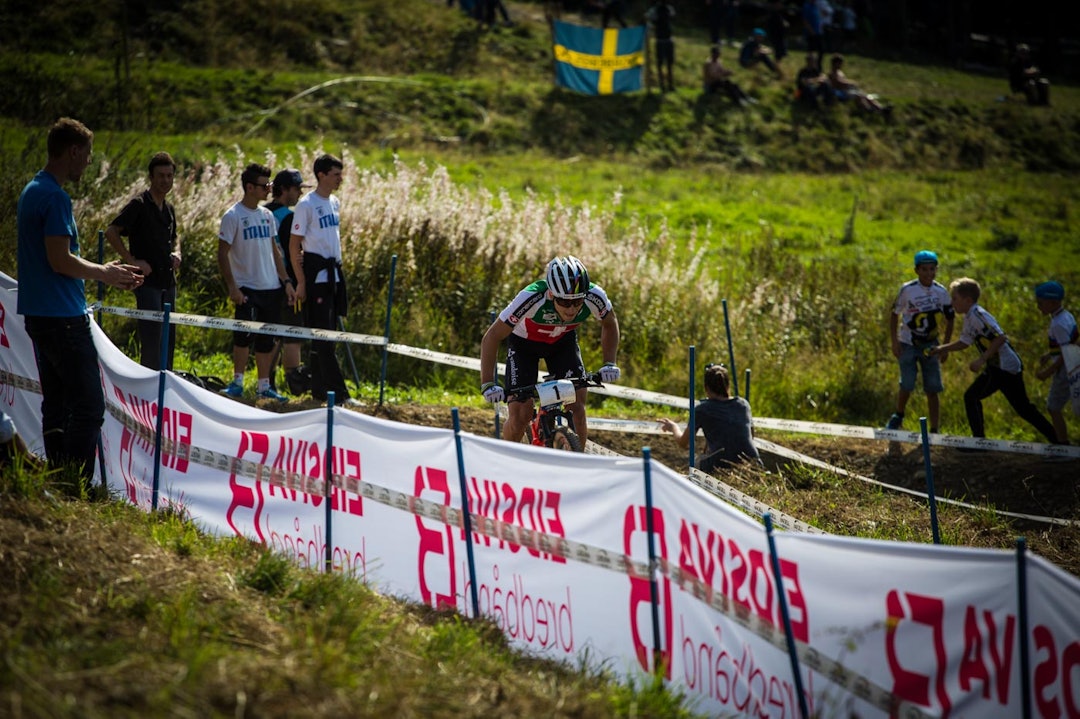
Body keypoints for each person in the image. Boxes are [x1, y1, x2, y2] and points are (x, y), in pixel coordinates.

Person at [17, 118, 144, 488]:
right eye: (87, 154)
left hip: (40, 314)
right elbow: (61, 260)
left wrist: (105, 272)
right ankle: (74, 483)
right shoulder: (55, 196)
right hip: (64, 319)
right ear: (73, 151)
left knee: (56, 403)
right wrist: (105, 273)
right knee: (88, 406)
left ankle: (57, 476)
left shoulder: (32, 190)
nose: (89, 162)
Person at [479, 256, 621, 446]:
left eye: (577, 302)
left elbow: (610, 323)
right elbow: (492, 337)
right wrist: (488, 383)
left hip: (562, 343)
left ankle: (578, 463)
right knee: (521, 415)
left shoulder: (595, 296)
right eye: (564, 302)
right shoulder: (531, 297)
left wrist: (609, 362)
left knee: (577, 407)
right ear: (552, 294)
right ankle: (509, 458)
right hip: (524, 346)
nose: (571, 310)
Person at [929, 278, 1059, 446]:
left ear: (968, 300)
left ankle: (979, 443)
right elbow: (964, 342)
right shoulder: (969, 317)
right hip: (1000, 367)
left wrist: (981, 359)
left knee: (972, 397)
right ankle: (1058, 441)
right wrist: (941, 349)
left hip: (1004, 367)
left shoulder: (978, 315)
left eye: (955, 298)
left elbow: (1000, 337)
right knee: (1024, 409)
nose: (952, 302)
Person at [217, 163, 295, 403]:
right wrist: (233, 287)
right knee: (243, 338)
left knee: (266, 340)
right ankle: (237, 382)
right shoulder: (233, 216)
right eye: (264, 185)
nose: (269, 189)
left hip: (271, 287)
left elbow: (276, 252)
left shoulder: (267, 215)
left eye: (270, 184)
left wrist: (286, 282)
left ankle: (264, 385)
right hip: (247, 288)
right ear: (249, 187)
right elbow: (222, 254)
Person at [104, 152, 180, 370]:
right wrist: (132, 261)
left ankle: (167, 383)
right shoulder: (139, 203)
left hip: (168, 281)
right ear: (151, 177)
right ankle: (148, 390)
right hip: (147, 283)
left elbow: (176, 236)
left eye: (169, 176)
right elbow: (111, 231)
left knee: (168, 337)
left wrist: (178, 252)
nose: (165, 180)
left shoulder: (169, 208)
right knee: (151, 339)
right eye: (161, 176)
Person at [290, 154, 353, 403]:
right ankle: (340, 393)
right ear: (321, 175)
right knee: (324, 337)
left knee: (327, 335)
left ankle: (318, 391)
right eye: (336, 174)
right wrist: (301, 281)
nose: (340, 179)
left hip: (333, 274)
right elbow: (294, 244)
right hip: (316, 276)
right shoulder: (306, 205)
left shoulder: (334, 202)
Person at [885, 250, 955, 434]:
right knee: (907, 384)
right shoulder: (907, 290)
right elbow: (894, 314)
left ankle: (934, 428)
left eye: (932, 269)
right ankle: (898, 415)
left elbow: (950, 319)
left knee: (932, 387)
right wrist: (895, 341)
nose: (928, 273)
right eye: (924, 269)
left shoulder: (941, 292)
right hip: (907, 342)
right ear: (916, 270)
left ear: (936, 270)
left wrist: (945, 347)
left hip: (931, 345)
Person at [659, 362, 762, 472]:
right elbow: (751, 436)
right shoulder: (743, 404)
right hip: (753, 462)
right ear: (728, 385)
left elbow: (684, 443)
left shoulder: (702, 409)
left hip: (721, 464)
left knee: (693, 467)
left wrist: (673, 427)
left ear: (706, 388)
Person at [264, 168, 311, 396]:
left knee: (271, 334)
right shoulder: (289, 217)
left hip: (264, 281)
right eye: (296, 189)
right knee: (293, 334)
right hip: (288, 282)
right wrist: (298, 282)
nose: (299, 194)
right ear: (283, 190)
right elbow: (294, 253)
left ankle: (267, 382)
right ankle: (296, 385)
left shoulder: (260, 212)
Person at [1033, 281, 1077, 445]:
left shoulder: (1058, 324)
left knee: (1053, 407)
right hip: (1072, 366)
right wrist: (1049, 354)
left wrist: (1048, 371)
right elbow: (1070, 343)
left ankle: (1062, 446)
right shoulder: (1066, 316)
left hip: (1066, 370)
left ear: (1053, 302)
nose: (1038, 307)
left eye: (1041, 303)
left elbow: (1066, 353)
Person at [646, 0, 676, 93]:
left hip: (668, 39)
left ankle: (670, 85)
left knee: (669, 64)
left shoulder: (668, 8)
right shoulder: (655, 10)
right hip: (660, 39)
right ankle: (662, 85)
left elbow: (672, 15)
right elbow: (647, 17)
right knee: (661, 64)